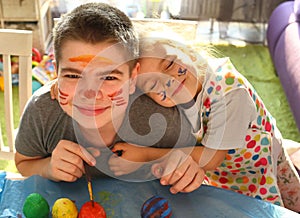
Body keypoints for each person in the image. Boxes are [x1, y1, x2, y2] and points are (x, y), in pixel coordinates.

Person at [14, 2, 205, 195]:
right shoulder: (42, 111)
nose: (90, 93)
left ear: (132, 79)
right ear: (56, 73)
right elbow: (23, 163)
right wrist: (47, 168)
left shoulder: (163, 116)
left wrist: (187, 170)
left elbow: (190, 163)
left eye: (109, 77)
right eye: (73, 76)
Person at [109, 35, 300, 212]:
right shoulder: (182, 94)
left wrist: (143, 154)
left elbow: (211, 158)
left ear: (189, 51)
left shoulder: (229, 92)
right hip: (225, 171)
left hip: (256, 168)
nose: (168, 82)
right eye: (153, 85)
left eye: (169, 64)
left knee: (282, 205)